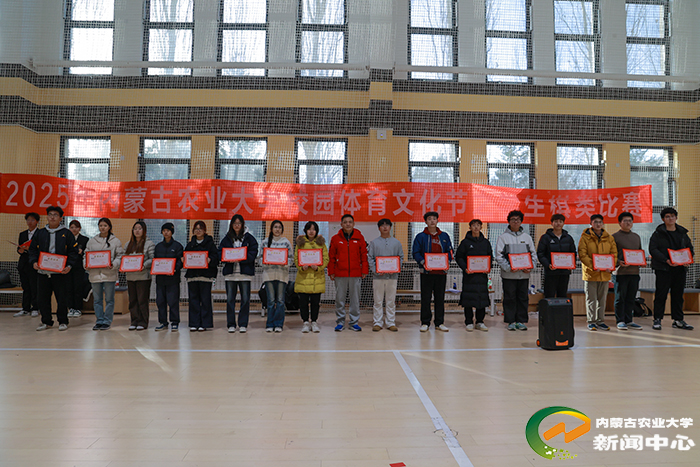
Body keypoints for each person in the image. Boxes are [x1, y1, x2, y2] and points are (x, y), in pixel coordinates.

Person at [27, 206, 78, 331]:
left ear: (60, 218)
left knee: (62, 298)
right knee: (43, 298)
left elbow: (73, 251)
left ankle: (63, 321)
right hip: (43, 272)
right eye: (50, 214)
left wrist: (69, 265)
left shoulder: (66, 233)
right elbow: (32, 250)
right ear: (47, 217)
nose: (52, 217)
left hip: (60, 273)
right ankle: (46, 321)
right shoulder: (40, 233)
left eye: (55, 215)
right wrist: (34, 262)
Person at [649, 207, 695, 330]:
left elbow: (689, 249)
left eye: (672, 216)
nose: (670, 219)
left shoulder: (682, 233)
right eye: (667, 217)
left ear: (676, 218)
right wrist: (666, 260)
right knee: (661, 294)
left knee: (678, 295)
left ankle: (678, 320)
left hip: (680, 269)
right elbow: (653, 249)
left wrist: (688, 260)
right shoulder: (657, 233)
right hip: (663, 269)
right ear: (663, 219)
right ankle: (657, 319)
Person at [495, 210, 537, 331]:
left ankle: (521, 321)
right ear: (509, 221)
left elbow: (533, 255)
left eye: (518, 219)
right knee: (509, 298)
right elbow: (499, 256)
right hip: (509, 275)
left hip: (524, 275)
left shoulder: (527, 237)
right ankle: (511, 321)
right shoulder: (503, 238)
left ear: (521, 221)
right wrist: (509, 268)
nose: (515, 222)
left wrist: (530, 267)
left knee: (523, 298)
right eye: (513, 219)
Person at [412, 211, 453, 332]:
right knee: (426, 298)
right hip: (426, 273)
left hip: (441, 273)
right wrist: (423, 262)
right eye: (429, 219)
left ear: (437, 221)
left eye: (434, 219)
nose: (432, 221)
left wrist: (447, 262)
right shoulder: (420, 237)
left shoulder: (444, 236)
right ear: (425, 221)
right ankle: (425, 322)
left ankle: (439, 323)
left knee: (440, 299)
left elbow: (450, 251)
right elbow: (415, 252)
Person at [328, 214, 368, 332]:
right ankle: (340, 322)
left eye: (350, 222)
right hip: (340, 274)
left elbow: (364, 256)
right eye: (345, 222)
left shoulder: (360, 238)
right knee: (340, 299)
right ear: (341, 224)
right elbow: (331, 257)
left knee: (355, 299)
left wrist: (364, 270)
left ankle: (354, 322)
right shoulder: (335, 239)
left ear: (353, 224)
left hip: (356, 274)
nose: (348, 224)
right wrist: (331, 271)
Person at [578, 214, 617, 331]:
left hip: (604, 274)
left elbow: (614, 254)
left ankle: (601, 321)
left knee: (602, 299)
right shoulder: (585, 237)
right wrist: (593, 266)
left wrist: (611, 266)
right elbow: (582, 254)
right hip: (591, 274)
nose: (598, 224)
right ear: (591, 224)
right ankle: (591, 321)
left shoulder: (609, 238)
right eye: (595, 222)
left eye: (600, 222)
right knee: (591, 299)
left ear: (603, 224)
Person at [220, 214, 258, 333]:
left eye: (239, 223)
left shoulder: (249, 238)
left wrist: (243, 258)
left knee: (245, 299)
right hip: (230, 275)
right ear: (231, 225)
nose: (237, 226)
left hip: (245, 274)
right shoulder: (227, 238)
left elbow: (253, 252)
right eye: (235, 223)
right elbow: (220, 252)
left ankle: (243, 324)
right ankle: (231, 324)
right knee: (230, 300)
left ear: (242, 225)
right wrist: (227, 259)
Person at [84, 218, 123, 331]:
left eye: (105, 225)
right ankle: (99, 320)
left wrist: (113, 264)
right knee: (97, 300)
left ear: (109, 227)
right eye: (100, 225)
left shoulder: (115, 241)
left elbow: (120, 256)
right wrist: (86, 264)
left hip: (109, 274)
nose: (102, 228)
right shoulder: (92, 241)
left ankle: (107, 321)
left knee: (109, 299)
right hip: (95, 275)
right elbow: (86, 256)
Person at [455, 219, 492, 331]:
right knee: (468, 300)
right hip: (469, 276)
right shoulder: (465, 242)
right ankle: (469, 322)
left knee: (482, 299)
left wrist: (488, 267)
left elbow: (490, 256)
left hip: (482, 276)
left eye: (478, 225)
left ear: (481, 227)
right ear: (470, 227)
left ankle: (480, 322)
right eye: (473, 225)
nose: (476, 227)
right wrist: (465, 268)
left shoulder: (486, 242)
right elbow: (459, 257)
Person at [368, 218, 404, 332]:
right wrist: (376, 270)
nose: (385, 227)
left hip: (392, 277)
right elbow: (370, 258)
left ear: (390, 227)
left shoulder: (396, 243)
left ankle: (390, 322)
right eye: (382, 225)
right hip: (378, 277)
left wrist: (395, 268)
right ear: (379, 228)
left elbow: (401, 257)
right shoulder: (374, 243)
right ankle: (377, 322)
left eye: (387, 225)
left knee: (391, 301)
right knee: (378, 301)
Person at [184, 221, 219, 332]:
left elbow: (216, 257)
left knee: (205, 300)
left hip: (206, 276)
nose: (198, 231)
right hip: (193, 276)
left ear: (205, 230)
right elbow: (185, 256)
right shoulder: (190, 244)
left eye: (200, 229)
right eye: (196, 229)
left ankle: (205, 323)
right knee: (193, 300)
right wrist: (184, 259)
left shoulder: (210, 244)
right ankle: (194, 323)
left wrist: (210, 259)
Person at [294, 221, 329, 333]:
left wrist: (318, 267)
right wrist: (301, 267)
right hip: (303, 278)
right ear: (305, 230)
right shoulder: (300, 243)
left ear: (317, 231)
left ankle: (314, 322)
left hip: (316, 278)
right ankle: (305, 322)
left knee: (315, 303)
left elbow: (326, 259)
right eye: (309, 229)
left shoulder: (321, 244)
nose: (311, 231)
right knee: (303, 303)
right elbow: (296, 259)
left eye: (314, 229)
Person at [259, 220, 293, 333]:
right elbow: (259, 258)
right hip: (268, 275)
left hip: (282, 275)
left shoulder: (286, 242)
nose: (277, 229)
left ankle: (278, 324)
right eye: (275, 227)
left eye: (279, 227)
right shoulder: (265, 242)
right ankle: (269, 324)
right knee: (270, 301)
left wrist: (285, 263)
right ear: (271, 229)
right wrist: (265, 263)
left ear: (282, 229)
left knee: (280, 301)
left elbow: (291, 259)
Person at [612, 212, 643, 330]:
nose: (628, 223)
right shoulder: (614, 237)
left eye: (630, 220)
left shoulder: (636, 237)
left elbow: (639, 252)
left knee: (631, 298)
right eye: (625, 220)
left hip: (634, 272)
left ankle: (629, 320)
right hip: (620, 273)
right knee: (620, 298)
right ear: (619, 223)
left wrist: (642, 262)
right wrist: (618, 262)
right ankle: (620, 320)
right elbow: (611, 255)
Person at [123, 221, 155, 331]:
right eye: (135, 228)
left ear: (144, 231)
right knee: (132, 301)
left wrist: (144, 265)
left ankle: (143, 322)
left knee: (142, 301)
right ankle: (134, 321)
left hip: (143, 277)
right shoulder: (128, 244)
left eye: (139, 228)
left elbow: (152, 259)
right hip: (130, 277)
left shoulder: (149, 244)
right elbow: (124, 258)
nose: (137, 231)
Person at [536, 214, 577, 299]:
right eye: (556, 221)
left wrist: (572, 264)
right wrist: (548, 265)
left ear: (563, 223)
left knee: (562, 295)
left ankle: (561, 308)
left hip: (564, 273)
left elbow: (573, 253)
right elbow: (540, 254)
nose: (558, 223)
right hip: (550, 273)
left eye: (560, 221)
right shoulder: (545, 237)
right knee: (549, 295)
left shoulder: (568, 238)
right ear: (552, 223)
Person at [154, 222, 183, 332]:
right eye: (164, 231)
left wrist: (175, 269)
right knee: (160, 301)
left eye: (168, 231)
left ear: (172, 232)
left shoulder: (177, 246)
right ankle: (163, 322)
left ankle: (174, 322)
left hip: (173, 279)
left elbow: (180, 261)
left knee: (173, 301)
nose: (166, 233)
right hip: (160, 279)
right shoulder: (158, 247)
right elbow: (155, 261)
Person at [14, 212, 40, 317]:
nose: (30, 222)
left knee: (34, 286)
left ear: (37, 221)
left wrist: (31, 249)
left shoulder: (40, 233)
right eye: (28, 220)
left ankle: (35, 308)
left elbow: (42, 249)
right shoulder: (23, 234)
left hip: (35, 263)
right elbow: (19, 248)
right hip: (24, 263)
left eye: (32, 220)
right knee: (25, 287)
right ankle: (25, 308)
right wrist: (20, 250)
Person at [66, 220, 89, 318]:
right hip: (68, 267)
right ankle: (71, 308)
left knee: (78, 287)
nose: (74, 229)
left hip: (79, 267)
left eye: (76, 227)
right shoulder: (66, 239)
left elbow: (88, 252)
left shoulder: (85, 239)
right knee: (69, 287)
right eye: (71, 227)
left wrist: (82, 252)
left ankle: (78, 308)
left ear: (79, 228)